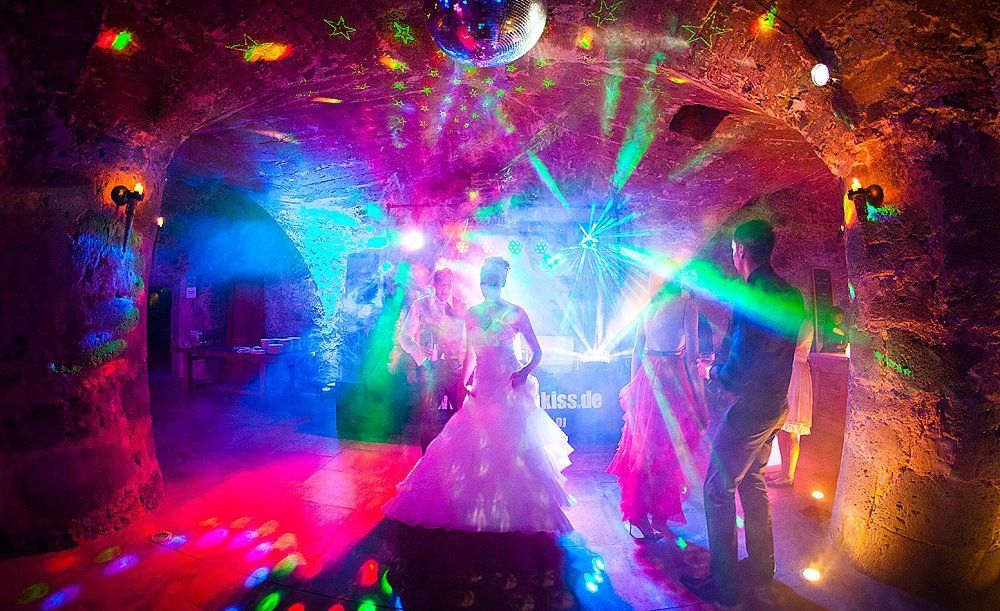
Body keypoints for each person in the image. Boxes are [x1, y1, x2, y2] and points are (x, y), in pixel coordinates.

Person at [383, 257, 574, 533]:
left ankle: (516, 507)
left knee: (512, 445)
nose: (488, 286)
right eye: (485, 281)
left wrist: (524, 373)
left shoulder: (516, 312)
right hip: (482, 385)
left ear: (503, 282)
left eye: (493, 281)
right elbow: (470, 353)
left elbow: (537, 353)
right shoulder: (472, 314)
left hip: (509, 387)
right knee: (467, 441)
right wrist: (464, 384)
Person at [683, 220, 804, 609]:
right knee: (752, 481)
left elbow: (742, 366)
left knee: (717, 489)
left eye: (733, 251)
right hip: (776, 404)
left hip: (750, 407)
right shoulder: (792, 294)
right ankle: (762, 569)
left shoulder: (750, 295)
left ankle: (726, 586)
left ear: (741, 252)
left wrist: (712, 371)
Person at [607, 272, 704, 541]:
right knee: (669, 450)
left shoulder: (648, 307)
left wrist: (632, 387)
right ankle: (656, 515)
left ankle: (640, 516)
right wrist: (701, 403)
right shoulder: (687, 305)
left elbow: (636, 350)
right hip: (671, 378)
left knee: (644, 449)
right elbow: (693, 358)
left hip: (646, 377)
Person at [398, 268, 468, 453]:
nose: (445, 289)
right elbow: (404, 337)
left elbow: (468, 341)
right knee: (428, 416)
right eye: (442, 284)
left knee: (459, 415)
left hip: (454, 369)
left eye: (449, 284)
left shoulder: (462, 307)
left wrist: (462, 357)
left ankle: (455, 458)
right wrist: (419, 353)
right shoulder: (420, 304)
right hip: (429, 369)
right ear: (434, 284)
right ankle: (427, 460)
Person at [768, 318, 814, 487]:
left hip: (796, 373)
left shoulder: (806, 323)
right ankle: (782, 470)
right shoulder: (790, 323)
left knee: (792, 432)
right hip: (786, 372)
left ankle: (789, 475)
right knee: (781, 428)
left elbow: (793, 347)